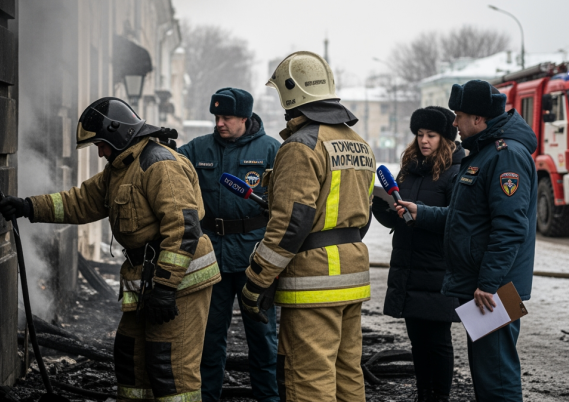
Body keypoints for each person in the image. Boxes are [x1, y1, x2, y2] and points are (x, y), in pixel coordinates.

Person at [0, 97, 220, 401]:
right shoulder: (120, 168)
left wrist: (166, 288)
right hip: (148, 281)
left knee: (169, 367)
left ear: (119, 133)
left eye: (101, 144)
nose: (100, 152)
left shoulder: (160, 165)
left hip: (181, 282)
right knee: (131, 357)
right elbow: (79, 202)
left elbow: (183, 228)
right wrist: (28, 206)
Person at [239, 51, 375, 402]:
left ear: (291, 94)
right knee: (347, 373)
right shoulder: (359, 144)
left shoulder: (301, 146)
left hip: (314, 284)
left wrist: (257, 279)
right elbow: (363, 213)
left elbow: (290, 226)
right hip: (352, 277)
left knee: (308, 378)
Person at [395, 80, 536, 402]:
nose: (455, 123)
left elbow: (510, 227)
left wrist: (488, 284)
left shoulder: (505, 156)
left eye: (458, 116)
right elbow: (467, 217)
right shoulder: (484, 153)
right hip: (485, 284)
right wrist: (421, 212)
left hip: (496, 289)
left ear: (478, 118)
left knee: (496, 378)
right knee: (487, 374)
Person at [178, 87, 280, 402]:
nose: (219, 123)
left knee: (262, 337)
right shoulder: (198, 149)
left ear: (245, 118)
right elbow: (166, 166)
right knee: (209, 338)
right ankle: (207, 397)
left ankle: (268, 398)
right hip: (212, 258)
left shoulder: (271, 150)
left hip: (255, 259)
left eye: (226, 118)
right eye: (217, 117)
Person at [372, 106, 464, 402]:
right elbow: (399, 217)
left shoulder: (456, 171)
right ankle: (423, 394)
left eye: (431, 135)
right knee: (417, 340)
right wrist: (382, 208)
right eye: (420, 134)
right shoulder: (409, 168)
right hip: (408, 265)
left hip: (438, 267)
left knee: (438, 341)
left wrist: (420, 212)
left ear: (445, 138)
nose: (424, 140)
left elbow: (458, 220)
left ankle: (439, 396)